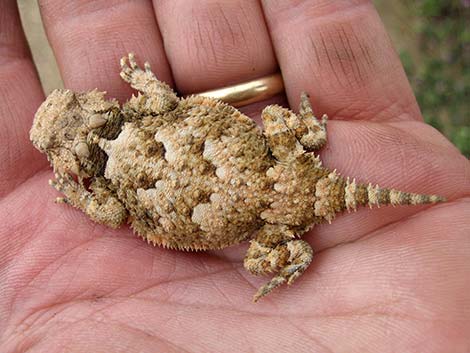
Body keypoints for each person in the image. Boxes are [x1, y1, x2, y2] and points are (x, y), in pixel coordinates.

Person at [1, 1, 468, 351]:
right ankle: (305, 139)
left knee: (256, 263)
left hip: (268, 211)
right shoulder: (141, 113)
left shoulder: (106, 187)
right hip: (270, 172)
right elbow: (164, 100)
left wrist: (77, 198)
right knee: (279, 123)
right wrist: (143, 81)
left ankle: (295, 255)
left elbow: (106, 213)